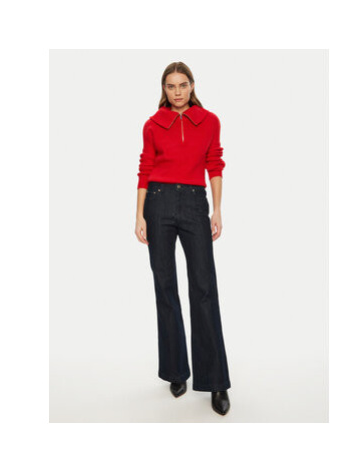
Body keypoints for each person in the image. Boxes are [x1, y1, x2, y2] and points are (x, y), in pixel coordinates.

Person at [134, 62, 231, 416]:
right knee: (165, 287)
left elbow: (214, 164)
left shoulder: (209, 121)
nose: (177, 91)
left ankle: (216, 381)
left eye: (183, 84)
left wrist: (217, 210)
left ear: (192, 86)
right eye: (171, 86)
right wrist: (139, 214)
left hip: (193, 203)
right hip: (158, 203)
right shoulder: (152, 124)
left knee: (204, 287)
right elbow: (145, 168)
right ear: (164, 88)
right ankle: (176, 370)